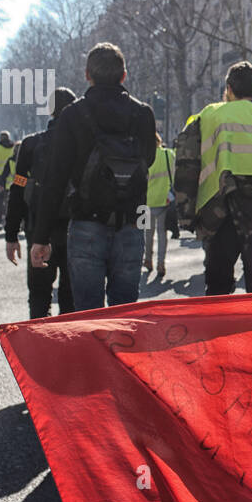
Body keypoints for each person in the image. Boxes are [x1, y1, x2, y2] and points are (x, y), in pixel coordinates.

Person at [29, 43, 156, 311]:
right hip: (133, 224)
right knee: (125, 313)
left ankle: (92, 355)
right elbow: (149, 160)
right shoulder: (143, 114)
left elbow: (56, 180)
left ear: (88, 74)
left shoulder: (73, 115)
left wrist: (41, 237)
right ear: (124, 75)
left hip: (87, 225)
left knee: (88, 313)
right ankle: (119, 353)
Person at [178, 62, 252, 295]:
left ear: (228, 89)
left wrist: (186, 216)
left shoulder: (205, 118)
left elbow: (186, 166)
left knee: (217, 287)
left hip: (216, 214)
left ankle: (220, 330)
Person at [5, 87, 76, 318]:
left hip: (38, 229)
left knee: (38, 295)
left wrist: (11, 233)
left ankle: (40, 348)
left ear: (50, 110)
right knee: (71, 296)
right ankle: (70, 348)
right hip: (76, 230)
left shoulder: (30, 145)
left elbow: (18, 187)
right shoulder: (83, 145)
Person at [143, 131, 176, 281]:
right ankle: (161, 263)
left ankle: (147, 259)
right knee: (162, 234)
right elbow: (175, 175)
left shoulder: (144, 157)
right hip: (165, 200)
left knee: (147, 233)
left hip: (146, 201)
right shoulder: (168, 155)